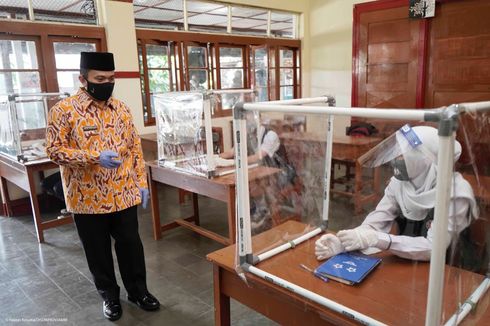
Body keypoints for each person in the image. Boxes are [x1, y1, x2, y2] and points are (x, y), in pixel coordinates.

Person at [46, 52, 160, 321]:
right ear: (83, 79)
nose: (107, 83)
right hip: (86, 197)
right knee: (97, 250)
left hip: (123, 193)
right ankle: (109, 295)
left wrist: (141, 183)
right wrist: (93, 157)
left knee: (131, 244)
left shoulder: (121, 109)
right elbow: (53, 150)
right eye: (100, 79)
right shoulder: (63, 111)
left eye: (111, 78)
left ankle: (138, 291)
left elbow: (134, 149)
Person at [315, 125, 478, 262]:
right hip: (406, 261)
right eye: (396, 152)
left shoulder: (456, 194)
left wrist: (378, 239)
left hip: (449, 269)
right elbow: (378, 219)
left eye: (403, 153)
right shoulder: (399, 183)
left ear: (426, 159)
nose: (395, 159)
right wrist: (344, 244)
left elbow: (433, 248)